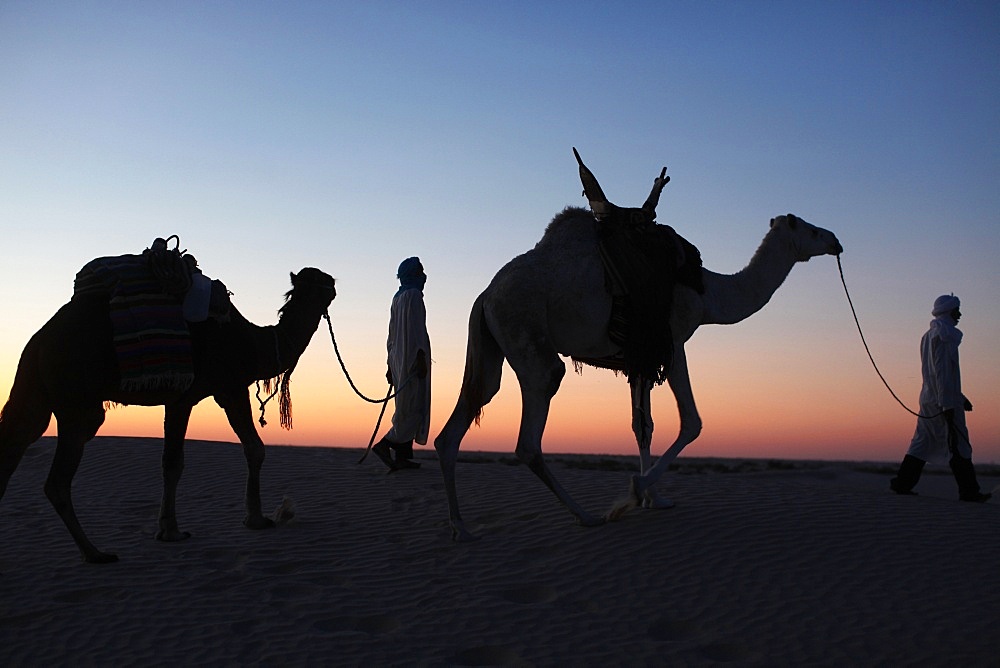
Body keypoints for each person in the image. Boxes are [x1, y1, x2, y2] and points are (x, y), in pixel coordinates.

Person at [890, 294, 990, 502]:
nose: (959, 314)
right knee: (959, 444)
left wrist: (960, 397)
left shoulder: (929, 335)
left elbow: (938, 373)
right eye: (956, 310)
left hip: (930, 399)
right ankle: (969, 492)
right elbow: (942, 373)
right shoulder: (944, 336)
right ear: (948, 311)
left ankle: (902, 483)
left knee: (922, 443)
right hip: (942, 401)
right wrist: (948, 404)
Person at [371, 257, 431, 471]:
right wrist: (421, 358)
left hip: (399, 358)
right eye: (420, 270)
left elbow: (391, 336)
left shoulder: (398, 297)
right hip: (412, 359)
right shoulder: (414, 296)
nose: (424, 275)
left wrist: (390, 365)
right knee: (412, 407)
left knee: (405, 405)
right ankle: (384, 445)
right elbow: (415, 332)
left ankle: (402, 457)